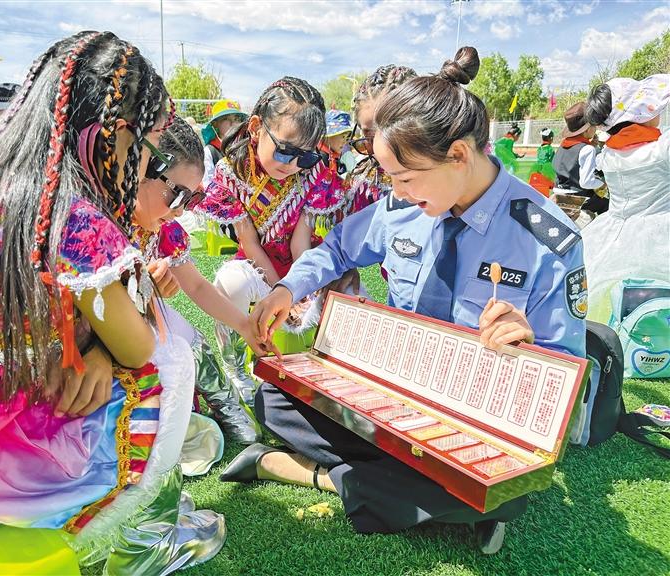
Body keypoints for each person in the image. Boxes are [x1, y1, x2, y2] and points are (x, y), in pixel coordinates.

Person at [229, 47, 587, 555]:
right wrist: (289, 288)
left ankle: (311, 473)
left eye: (405, 177)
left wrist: (528, 349)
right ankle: (432, 497)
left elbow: (565, 374)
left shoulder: (546, 239)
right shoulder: (402, 206)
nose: (394, 190)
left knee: (509, 491)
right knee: (274, 398)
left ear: (459, 154)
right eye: (391, 177)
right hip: (391, 398)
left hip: (472, 420)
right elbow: (337, 249)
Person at [0, 32, 225, 574]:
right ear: (114, 136)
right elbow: (137, 344)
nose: (145, 166)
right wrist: (106, 349)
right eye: (149, 148)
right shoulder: (66, 210)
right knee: (168, 360)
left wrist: (95, 343)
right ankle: (132, 544)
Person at [194, 76, 344, 409]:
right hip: (258, 265)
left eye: (305, 156)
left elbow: (301, 244)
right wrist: (279, 292)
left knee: (349, 287)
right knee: (230, 283)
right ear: (256, 127)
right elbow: (249, 243)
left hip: (302, 266)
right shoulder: (232, 172)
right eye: (285, 150)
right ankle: (236, 368)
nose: (293, 165)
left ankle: (335, 376)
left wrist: (298, 289)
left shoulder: (313, 174)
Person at [130, 117, 262, 444]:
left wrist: (245, 326)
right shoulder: (102, 223)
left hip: (140, 325)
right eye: (177, 195)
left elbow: (197, 286)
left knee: (191, 340)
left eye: (190, 200)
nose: (180, 211)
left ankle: (225, 403)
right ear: (141, 169)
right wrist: (143, 289)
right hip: (101, 340)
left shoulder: (163, 229)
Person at [581, 74, 670, 323]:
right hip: (660, 233)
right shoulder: (661, 148)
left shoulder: (609, 154)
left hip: (612, 233)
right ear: (639, 114)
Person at [343, 65, 417, 218]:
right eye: (370, 137)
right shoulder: (360, 180)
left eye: (392, 136)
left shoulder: (437, 180)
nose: (380, 148)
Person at [552, 102, 608, 215]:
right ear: (587, 129)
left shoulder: (563, 145)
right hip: (576, 198)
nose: (595, 129)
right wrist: (602, 184)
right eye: (594, 126)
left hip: (558, 194)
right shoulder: (587, 149)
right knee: (608, 204)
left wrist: (589, 145)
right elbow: (586, 182)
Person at [201, 99, 247, 187]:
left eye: (236, 119)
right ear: (215, 124)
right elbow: (208, 185)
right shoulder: (210, 151)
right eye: (226, 119)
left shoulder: (244, 147)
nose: (233, 123)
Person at [321, 109, 354, 177]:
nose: (345, 142)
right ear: (328, 135)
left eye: (347, 137)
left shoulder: (336, 157)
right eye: (343, 137)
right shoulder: (320, 159)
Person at [528, 127, 556, 196]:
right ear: (550, 138)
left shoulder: (540, 148)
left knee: (538, 183)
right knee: (548, 183)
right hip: (547, 168)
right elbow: (552, 159)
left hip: (537, 167)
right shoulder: (550, 148)